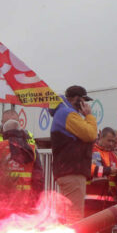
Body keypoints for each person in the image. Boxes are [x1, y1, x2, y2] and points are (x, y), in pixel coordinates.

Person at [50, 85, 98, 224]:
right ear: (75, 99)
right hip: (72, 171)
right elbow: (90, 135)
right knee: (74, 217)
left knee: (69, 215)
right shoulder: (67, 114)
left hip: (68, 171)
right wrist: (89, 116)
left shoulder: (64, 113)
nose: (85, 104)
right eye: (83, 100)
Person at [85, 127, 117, 233]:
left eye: (113, 142)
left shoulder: (113, 156)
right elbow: (91, 170)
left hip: (108, 202)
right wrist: (110, 170)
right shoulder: (93, 152)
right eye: (109, 140)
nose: (111, 144)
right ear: (100, 138)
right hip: (91, 200)